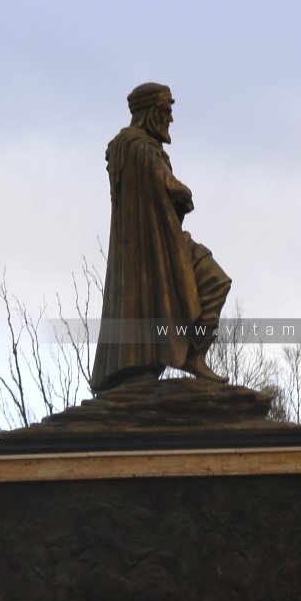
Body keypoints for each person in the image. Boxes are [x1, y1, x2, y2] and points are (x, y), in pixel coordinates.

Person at [90, 82, 231, 393]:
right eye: (166, 110)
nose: (170, 118)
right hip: (155, 247)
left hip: (162, 240)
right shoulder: (137, 147)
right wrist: (181, 190)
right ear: (151, 112)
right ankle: (186, 355)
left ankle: (191, 353)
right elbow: (163, 185)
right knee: (212, 279)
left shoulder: (138, 147)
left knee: (214, 280)